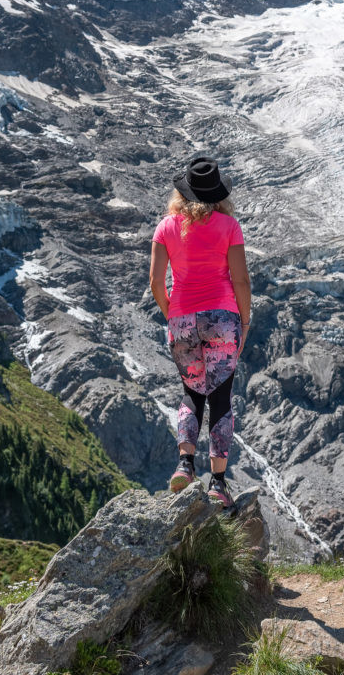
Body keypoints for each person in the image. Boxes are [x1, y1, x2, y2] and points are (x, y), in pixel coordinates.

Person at [150, 154, 252, 509]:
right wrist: (245, 320)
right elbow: (240, 279)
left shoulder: (166, 227)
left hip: (182, 320)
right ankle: (218, 484)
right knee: (221, 399)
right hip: (222, 319)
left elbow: (155, 282)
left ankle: (185, 465)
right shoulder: (229, 227)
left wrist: (172, 314)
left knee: (191, 394)